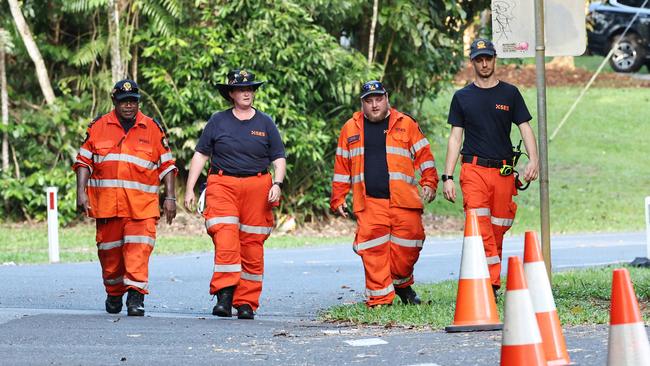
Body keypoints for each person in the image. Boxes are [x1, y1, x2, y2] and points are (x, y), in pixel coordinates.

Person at [184, 69, 286, 320]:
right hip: (222, 185)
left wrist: (278, 183)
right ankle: (225, 295)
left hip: (258, 188)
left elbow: (278, 158)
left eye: (250, 89)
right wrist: (189, 188)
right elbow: (201, 155)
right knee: (226, 238)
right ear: (231, 94)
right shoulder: (218, 121)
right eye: (241, 89)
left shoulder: (265, 123)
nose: (246, 93)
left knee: (252, 246)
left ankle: (246, 303)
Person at [442, 39, 539, 297]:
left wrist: (534, 159)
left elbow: (525, 128)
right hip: (473, 171)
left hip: (503, 173)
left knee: (497, 229)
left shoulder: (510, 94)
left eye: (488, 58)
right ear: (472, 62)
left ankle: (488, 279)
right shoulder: (462, 97)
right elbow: (455, 138)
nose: (484, 63)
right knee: (480, 225)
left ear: (495, 59)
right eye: (478, 59)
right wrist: (447, 176)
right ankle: (490, 285)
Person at [73, 79, 177, 316]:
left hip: (142, 206)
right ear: (114, 102)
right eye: (124, 102)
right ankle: (114, 292)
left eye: (133, 101)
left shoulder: (152, 128)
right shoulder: (98, 127)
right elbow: (83, 162)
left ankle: (136, 297)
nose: (129, 106)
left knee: (138, 251)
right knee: (109, 255)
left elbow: (168, 166)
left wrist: (170, 198)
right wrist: (81, 191)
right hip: (107, 205)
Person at [330, 80, 438, 307]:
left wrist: (429, 181)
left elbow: (424, 155)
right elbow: (342, 165)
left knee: (410, 247)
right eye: (369, 101)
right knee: (373, 250)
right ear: (362, 104)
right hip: (369, 203)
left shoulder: (405, 123)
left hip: (404, 201)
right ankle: (380, 298)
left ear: (387, 98)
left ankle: (401, 284)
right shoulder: (350, 128)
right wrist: (338, 196)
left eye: (378, 99)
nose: (375, 105)